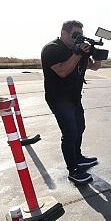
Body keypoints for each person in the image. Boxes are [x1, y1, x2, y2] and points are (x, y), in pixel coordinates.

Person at [41, 20, 101, 185]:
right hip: (58, 99)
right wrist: (78, 54)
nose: (78, 39)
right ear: (64, 33)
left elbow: (94, 67)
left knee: (80, 127)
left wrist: (99, 57)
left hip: (74, 98)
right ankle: (73, 170)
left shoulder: (79, 50)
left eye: (80, 36)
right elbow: (62, 71)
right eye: (75, 35)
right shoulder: (52, 49)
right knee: (70, 133)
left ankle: (78, 157)